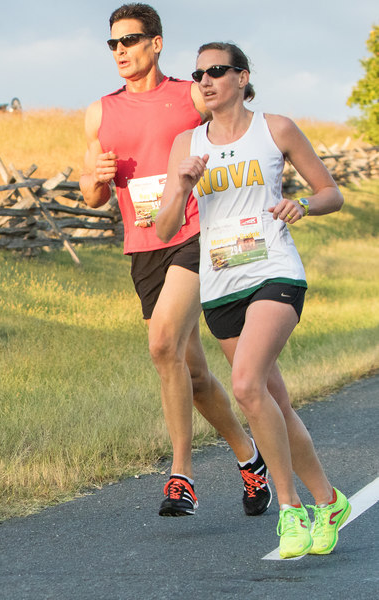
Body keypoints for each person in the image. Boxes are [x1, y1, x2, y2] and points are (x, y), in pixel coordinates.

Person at [155, 42, 349, 558]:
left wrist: (301, 204)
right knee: (274, 403)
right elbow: (165, 227)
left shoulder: (276, 128)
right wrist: (182, 185)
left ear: (242, 77)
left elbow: (331, 192)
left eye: (217, 71)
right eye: (198, 74)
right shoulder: (186, 144)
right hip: (221, 286)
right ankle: (328, 501)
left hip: (275, 273)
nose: (205, 81)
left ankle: (290, 511)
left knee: (245, 384)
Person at [79, 3, 271, 517]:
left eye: (131, 40)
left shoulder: (189, 96)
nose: (121, 51)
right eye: (113, 43)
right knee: (195, 375)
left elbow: (239, 132)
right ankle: (251, 460)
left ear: (156, 43)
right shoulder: (100, 111)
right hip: (144, 247)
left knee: (162, 342)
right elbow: (92, 196)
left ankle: (181, 475)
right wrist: (95, 180)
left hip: (195, 235)